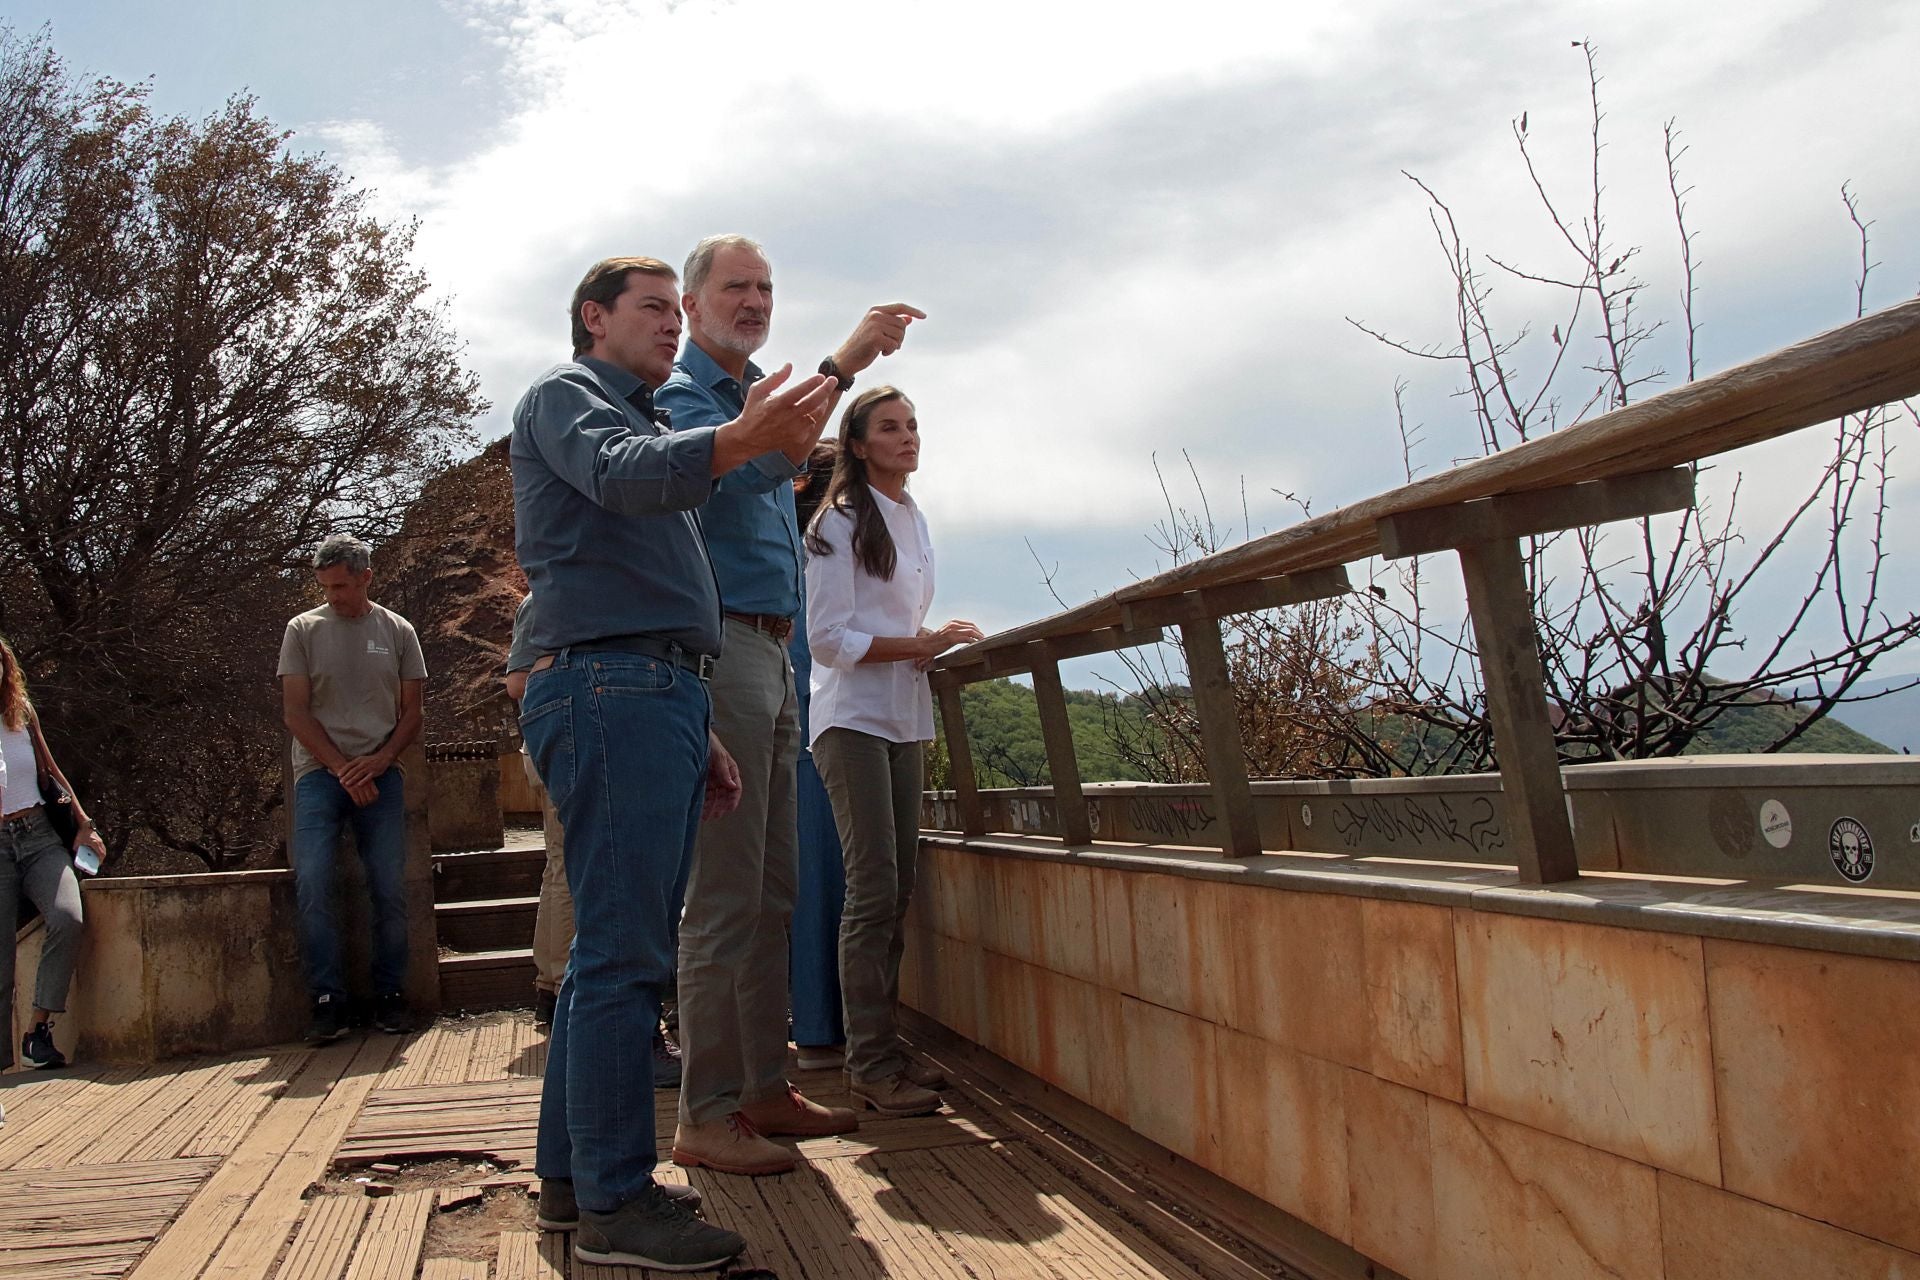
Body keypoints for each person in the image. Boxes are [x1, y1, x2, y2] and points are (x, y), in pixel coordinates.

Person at [512, 254, 832, 1271]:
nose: (667, 323)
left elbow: (665, 567)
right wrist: (743, 438)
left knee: (613, 949)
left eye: (668, 307)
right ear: (594, 318)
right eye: (651, 308)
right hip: (613, 687)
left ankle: (572, 1180)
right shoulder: (571, 396)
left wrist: (700, 725)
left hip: (651, 690)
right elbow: (621, 478)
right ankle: (617, 1199)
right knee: (621, 956)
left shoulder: (655, 423)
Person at [654, 233, 925, 1176]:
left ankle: (763, 1087)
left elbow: (784, 443)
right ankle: (706, 1110)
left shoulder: (750, 393)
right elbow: (765, 452)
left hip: (771, 655)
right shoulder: (685, 400)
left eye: (766, 286)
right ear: (692, 306)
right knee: (725, 893)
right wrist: (848, 359)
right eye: (736, 287)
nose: (756, 300)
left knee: (773, 890)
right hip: (724, 645)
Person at [805, 387, 983, 1116]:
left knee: (898, 887)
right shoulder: (836, 525)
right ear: (856, 443)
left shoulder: (911, 518)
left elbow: (894, 619)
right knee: (873, 887)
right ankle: (868, 1066)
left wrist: (929, 641)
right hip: (851, 721)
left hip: (905, 717)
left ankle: (883, 1045)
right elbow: (827, 641)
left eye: (912, 425)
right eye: (889, 427)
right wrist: (921, 644)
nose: (908, 437)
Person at [505, 592, 683, 1086]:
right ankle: (563, 988)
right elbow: (518, 681)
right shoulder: (549, 598)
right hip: (569, 738)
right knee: (573, 870)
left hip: (568, 737)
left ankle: (557, 988)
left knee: (567, 868)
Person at [279, 534, 427, 1043]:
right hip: (321, 771)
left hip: (381, 769)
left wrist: (381, 760)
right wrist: (342, 768)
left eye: (341, 585)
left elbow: (413, 713)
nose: (333, 595)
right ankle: (326, 999)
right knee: (314, 879)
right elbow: (295, 712)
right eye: (325, 586)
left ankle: (391, 994)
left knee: (389, 884)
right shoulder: (303, 629)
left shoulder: (397, 630)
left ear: (366, 576)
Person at [0, 635, 102, 1070]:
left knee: (67, 917)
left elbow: (52, 771)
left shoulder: (20, 712)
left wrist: (84, 825)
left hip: (39, 833)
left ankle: (38, 1031)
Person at [787, 442, 848, 1070]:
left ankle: (816, 1019)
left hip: (792, 720)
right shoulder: (817, 554)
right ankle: (821, 1024)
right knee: (822, 876)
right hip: (814, 727)